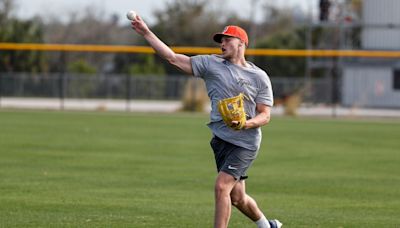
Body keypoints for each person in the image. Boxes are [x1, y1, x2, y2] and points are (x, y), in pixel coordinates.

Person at [131, 15, 282, 228]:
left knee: (222, 187)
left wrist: (246, 124)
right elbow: (172, 57)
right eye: (221, 40)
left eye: (228, 39)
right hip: (221, 139)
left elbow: (265, 114)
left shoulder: (259, 77)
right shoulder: (211, 64)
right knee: (237, 197)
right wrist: (146, 32)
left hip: (245, 142)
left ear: (241, 43)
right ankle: (268, 226)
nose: (223, 43)